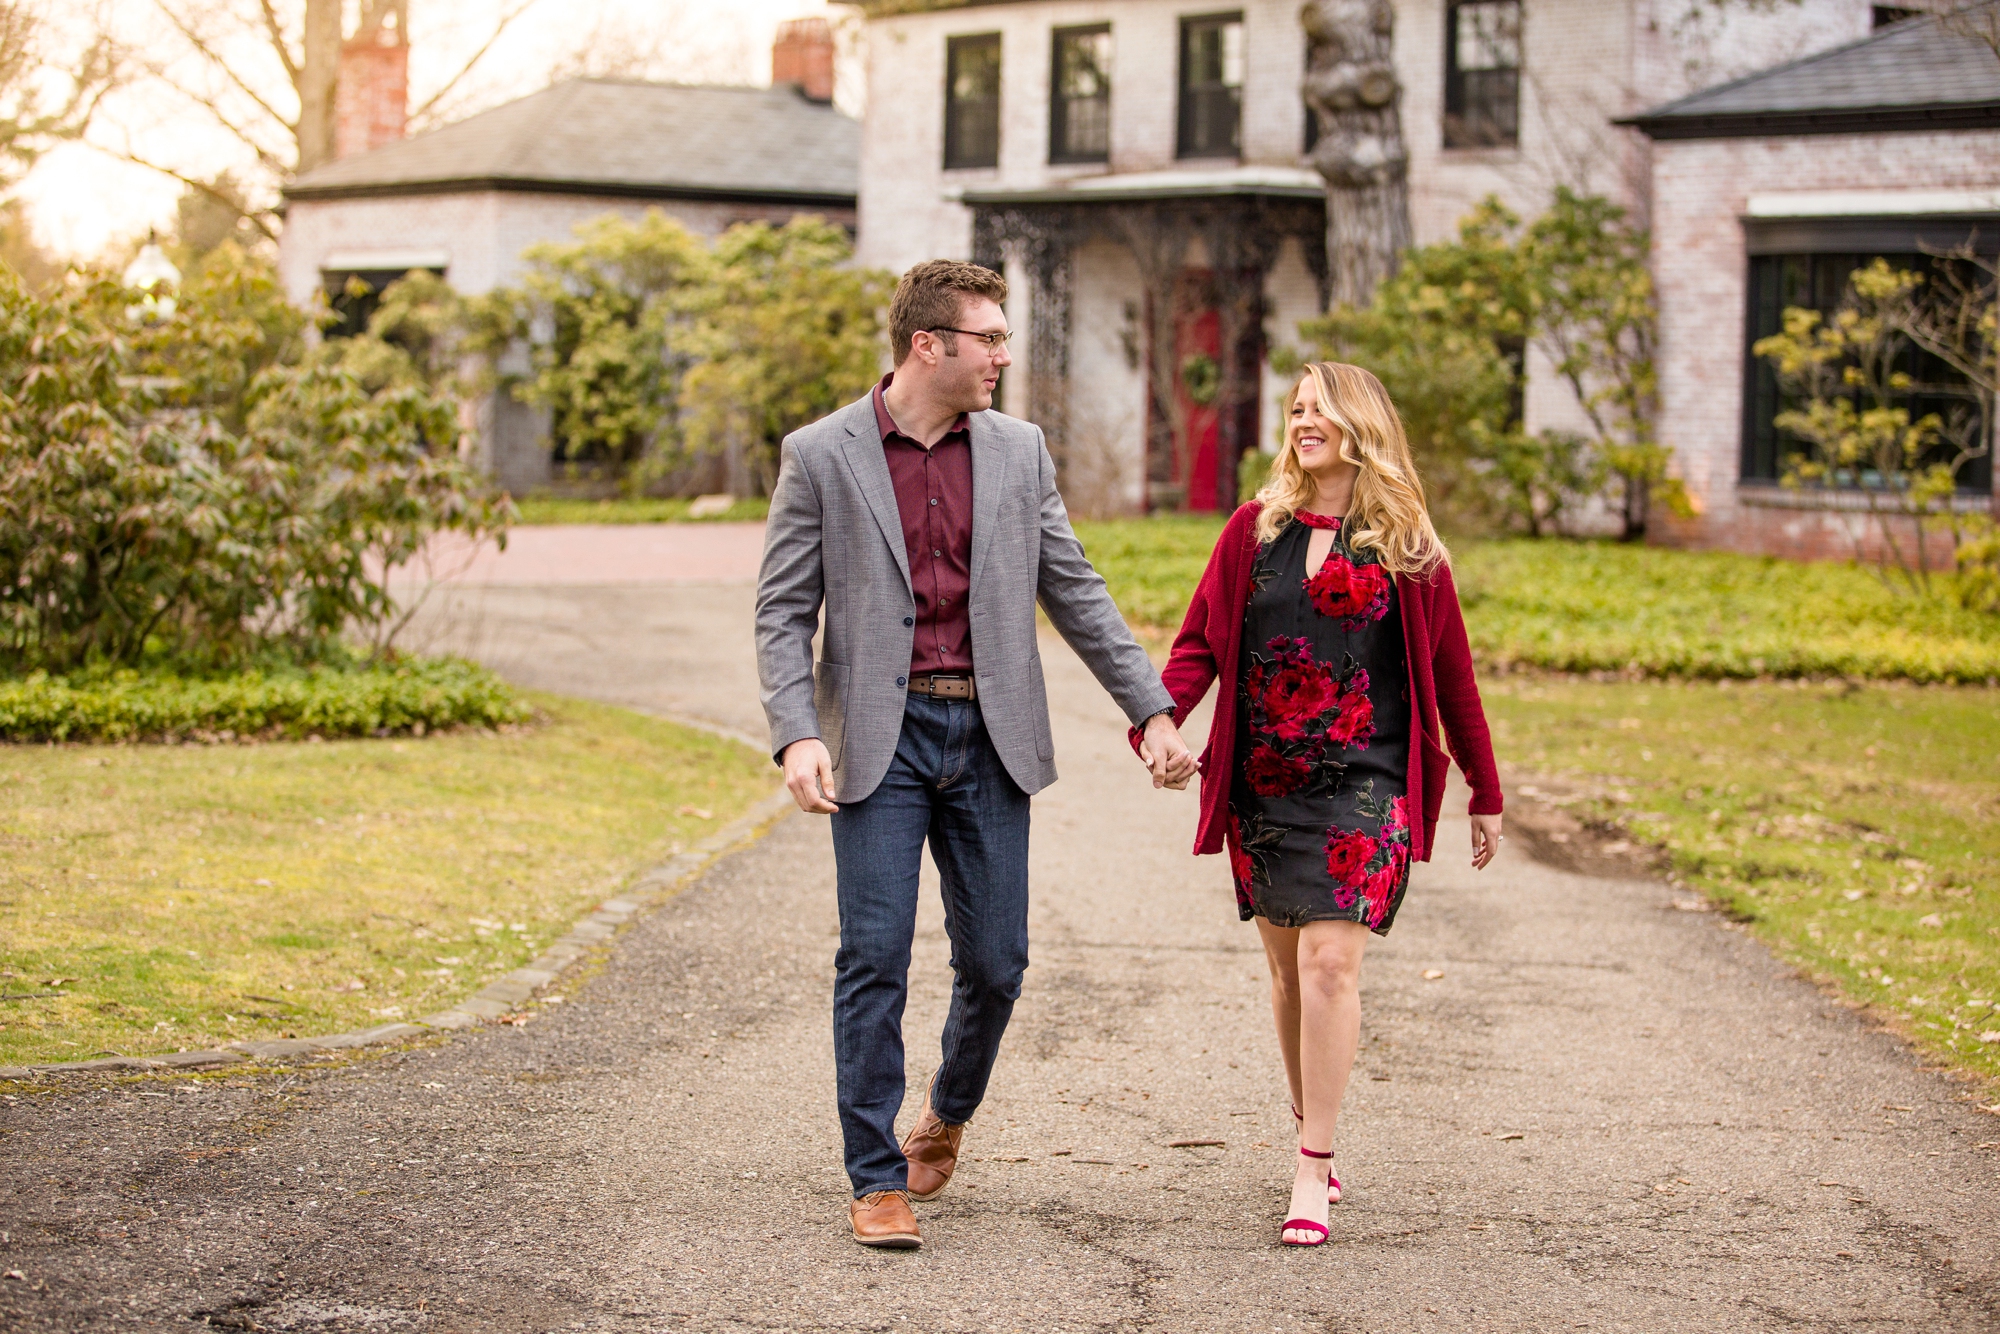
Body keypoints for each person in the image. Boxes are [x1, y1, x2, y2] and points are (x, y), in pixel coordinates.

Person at [756, 259, 1197, 1250]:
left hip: (991, 738)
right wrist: (795, 730)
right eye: (988, 337)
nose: (1004, 353)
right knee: (871, 955)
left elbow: (1073, 586)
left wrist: (1152, 712)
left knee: (996, 962)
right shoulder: (820, 453)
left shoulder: (1017, 450)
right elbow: (783, 608)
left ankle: (946, 1110)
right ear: (928, 345)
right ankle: (874, 1178)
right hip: (881, 738)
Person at [1137, 361, 1504, 1247]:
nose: (1305, 424)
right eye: (1297, 410)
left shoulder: (1409, 547)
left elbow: (1452, 677)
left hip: (1366, 785)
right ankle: (1314, 1126)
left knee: (1332, 964)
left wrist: (1483, 791)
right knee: (1286, 972)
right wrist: (1158, 724)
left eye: (1321, 411)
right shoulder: (1249, 533)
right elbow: (1198, 648)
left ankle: (1311, 1162)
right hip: (1266, 782)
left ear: (1361, 426)